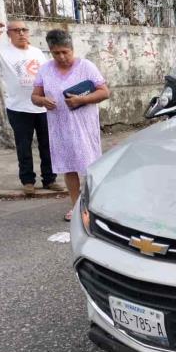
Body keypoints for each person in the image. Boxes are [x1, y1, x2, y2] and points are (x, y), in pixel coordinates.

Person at [0, 21, 64, 196]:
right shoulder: (3, 52)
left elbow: (48, 75)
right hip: (18, 108)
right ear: (9, 34)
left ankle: (49, 179)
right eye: (16, 30)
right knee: (24, 146)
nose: (22, 33)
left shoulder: (37, 52)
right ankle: (28, 181)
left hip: (42, 107)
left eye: (24, 30)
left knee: (47, 145)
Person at [30, 29, 109, 221]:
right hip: (59, 127)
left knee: (90, 167)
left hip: (84, 127)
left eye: (65, 51)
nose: (62, 56)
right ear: (50, 52)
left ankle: (94, 206)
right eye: (56, 53)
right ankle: (76, 206)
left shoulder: (87, 67)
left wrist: (82, 100)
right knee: (69, 167)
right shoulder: (45, 70)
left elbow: (104, 92)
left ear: (72, 49)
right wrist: (42, 101)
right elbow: (34, 96)